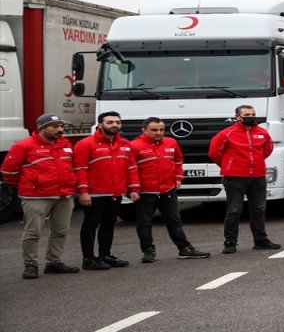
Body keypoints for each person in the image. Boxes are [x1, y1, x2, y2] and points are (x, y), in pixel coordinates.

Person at [2, 113, 80, 279]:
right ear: (42, 128)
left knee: (60, 231)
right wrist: (29, 185)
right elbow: (8, 172)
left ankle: (54, 262)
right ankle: (30, 265)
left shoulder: (65, 144)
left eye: (61, 126)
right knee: (33, 233)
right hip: (36, 197)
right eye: (55, 126)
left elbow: (72, 167)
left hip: (63, 196)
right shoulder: (23, 146)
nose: (60, 129)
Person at [131, 118, 211, 262]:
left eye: (161, 130)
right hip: (145, 192)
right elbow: (129, 169)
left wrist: (178, 178)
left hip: (167, 190)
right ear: (144, 130)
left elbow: (178, 160)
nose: (158, 133)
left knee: (174, 220)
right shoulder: (134, 146)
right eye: (154, 130)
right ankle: (148, 251)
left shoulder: (171, 142)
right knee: (144, 222)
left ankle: (184, 248)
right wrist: (133, 189)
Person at [210, 105, 281, 253]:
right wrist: (230, 165)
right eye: (247, 114)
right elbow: (214, 153)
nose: (251, 116)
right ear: (238, 117)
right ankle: (230, 242)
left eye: (253, 114)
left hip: (258, 176)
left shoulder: (262, 133)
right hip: (235, 177)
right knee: (234, 209)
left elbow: (267, 150)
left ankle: (261, 240)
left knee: (259, 209)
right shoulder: (227, 134)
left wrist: (256, 162)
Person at [74, 111, 140, 270]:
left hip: (115, 192)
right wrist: (83, 191)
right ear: (100, 125)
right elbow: (80, 169)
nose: (114, 125)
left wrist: (133, 189)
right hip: (94, 193)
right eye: (110, 122)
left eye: (117, 122)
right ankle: (88, 259)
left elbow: (131, 167)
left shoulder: (125, 144)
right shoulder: (85, 144)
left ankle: (105, 255)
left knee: (109, 224)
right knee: (91, 224)